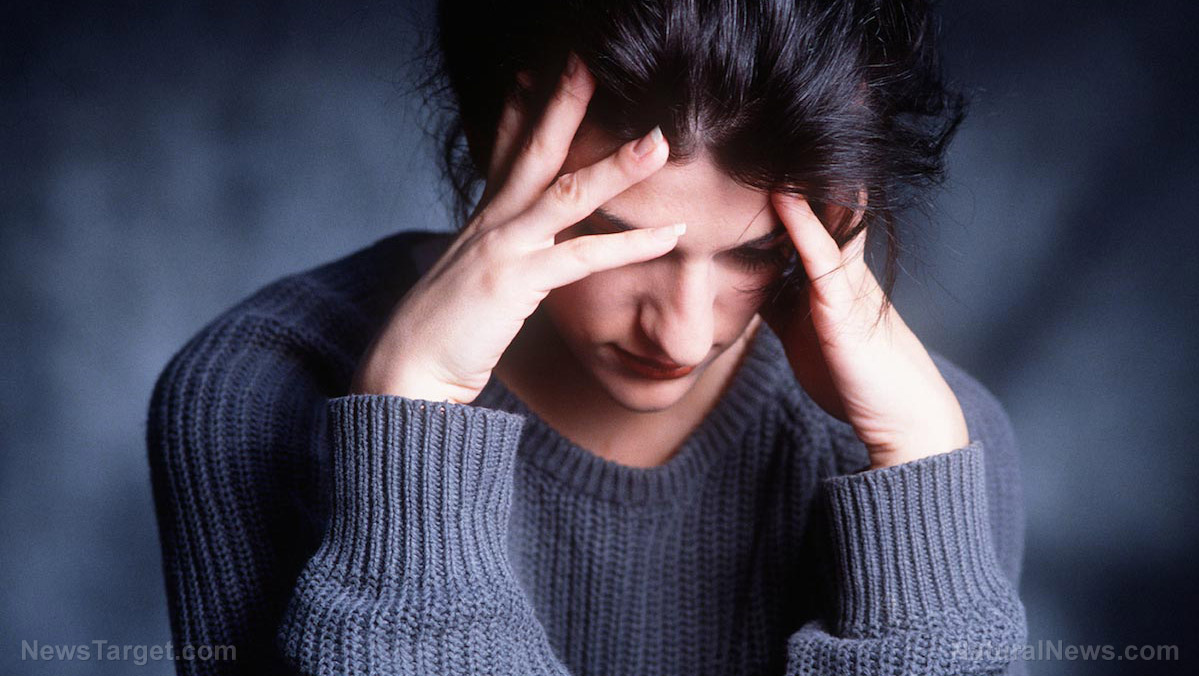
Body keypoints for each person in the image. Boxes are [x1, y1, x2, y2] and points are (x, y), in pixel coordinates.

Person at [146, 0, 1028, 674]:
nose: (683, 332)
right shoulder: (256, 391)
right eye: (620, 240)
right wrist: (411, 421)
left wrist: (922, 480)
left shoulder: (926, 451)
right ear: (502, 136)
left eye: (756, 253)